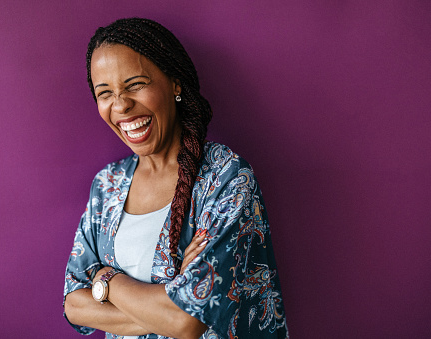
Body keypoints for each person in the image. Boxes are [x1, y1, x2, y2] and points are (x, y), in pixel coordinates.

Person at [63, 18, 288, 339]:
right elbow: (74, 304)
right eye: (105, 93)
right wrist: (167, 303)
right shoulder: (107, 185)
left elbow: (186, 322)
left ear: (175, 83)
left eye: (135, 84)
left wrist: (106, 280)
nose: (121, 105)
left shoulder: (225, 177)